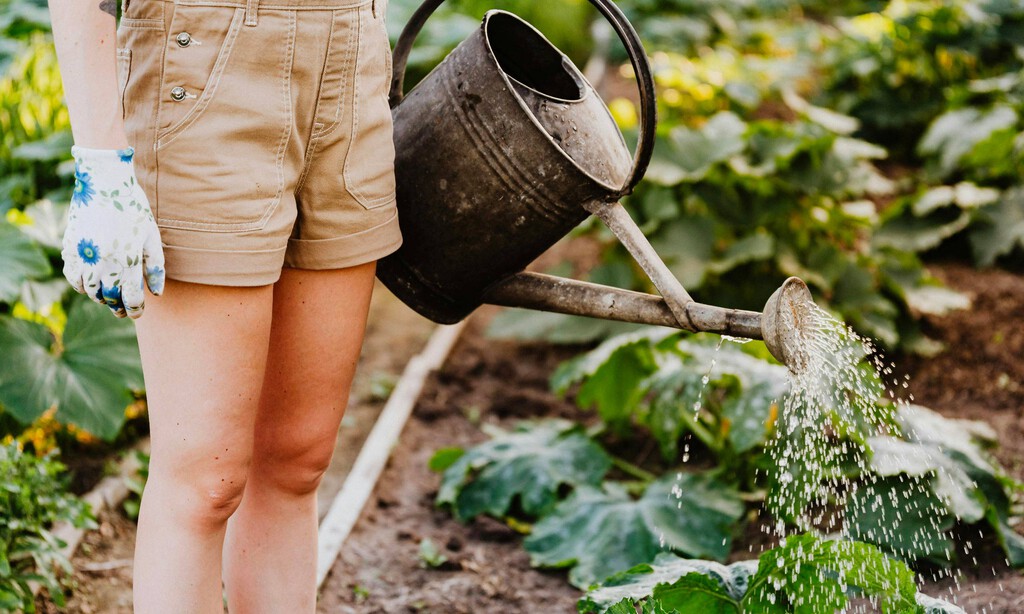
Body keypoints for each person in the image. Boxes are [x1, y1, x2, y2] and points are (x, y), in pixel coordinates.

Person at [47, 0, 402, 610]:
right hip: (206, 56)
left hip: (353, 51)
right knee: (205, 482)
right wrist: (101, 163)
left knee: (298, 460)